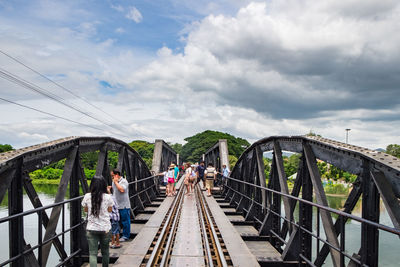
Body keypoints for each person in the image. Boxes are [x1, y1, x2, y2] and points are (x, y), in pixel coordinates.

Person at [82, 176, 114, 267]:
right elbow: (110, 210)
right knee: (105, 252)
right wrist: (108, 192)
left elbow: (85, 210)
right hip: (105, 228)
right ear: (104, 185)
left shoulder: (87, 196)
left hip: (91, 228)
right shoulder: (108, 197)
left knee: (93, 254)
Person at [109, 169, 131, 242]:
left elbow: (122, 190)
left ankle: (125, 236)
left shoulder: (124, 181)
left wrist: (115, 182)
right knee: (116, 221)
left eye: (112, 176)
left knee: (125, 221)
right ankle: (117, 235)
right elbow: (115, 192)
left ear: (116, 175)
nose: (112, 177)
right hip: (116, 205)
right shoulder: (114, 182)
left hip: (124, 205)